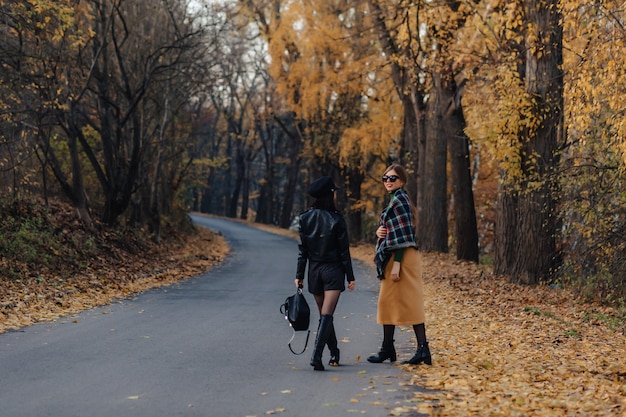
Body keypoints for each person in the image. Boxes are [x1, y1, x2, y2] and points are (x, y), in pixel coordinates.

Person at [367, 164, 432, 366]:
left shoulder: (400, 200)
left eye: (392, 178)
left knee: (410, 302)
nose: (388, 181)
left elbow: (405, 237)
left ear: (402, 181)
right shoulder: (394, 200)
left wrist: (396, 264)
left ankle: (422, 349)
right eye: (385, 178)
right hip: (395, 257)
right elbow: (391, 230)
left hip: (401, 259)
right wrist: (379, 232)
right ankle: (388, 348)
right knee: (387, 303)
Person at [294, 176, 356, 371]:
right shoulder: (337, 219)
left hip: (314, 271)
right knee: (326, 315)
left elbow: (303, 250)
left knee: (324, 315)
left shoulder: (304, 218)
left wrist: (299, 275)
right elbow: (344, 251)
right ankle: (317, 355)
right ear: (330, 195)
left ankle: (334, 352)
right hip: (333, 270)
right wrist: (350, 276)